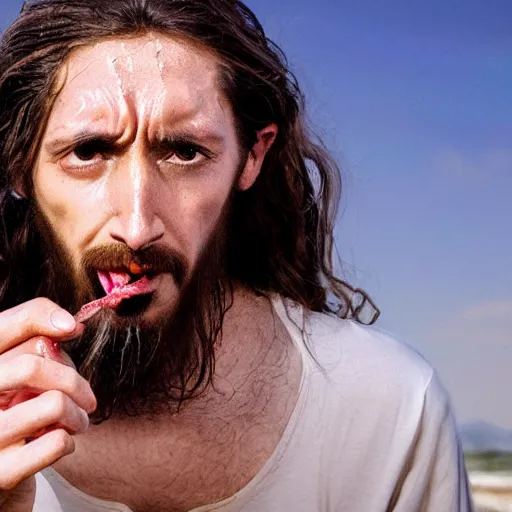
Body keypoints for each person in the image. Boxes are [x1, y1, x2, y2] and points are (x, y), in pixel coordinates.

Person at [0, 0, 473, 510]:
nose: (136, 228)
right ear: (21, 165)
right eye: (88, 152)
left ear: (252, 156)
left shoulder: (391, 409)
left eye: (184, 152)